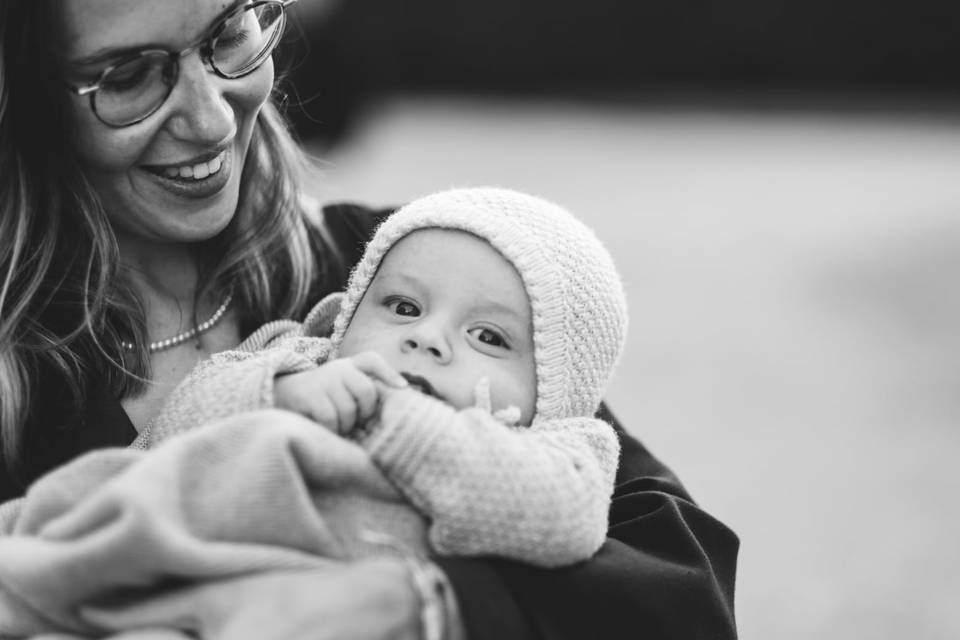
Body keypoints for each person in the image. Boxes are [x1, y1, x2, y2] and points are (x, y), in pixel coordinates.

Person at [0, 1, 739, 639]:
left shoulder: (406, 270)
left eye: (228, 34)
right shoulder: (25, 377)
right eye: (129, 76)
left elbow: (683, 587)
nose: (212, 115)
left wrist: (429, 609)